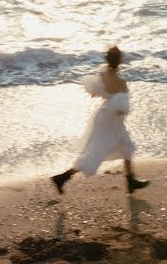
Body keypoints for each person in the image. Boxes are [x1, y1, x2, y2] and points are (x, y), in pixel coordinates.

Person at [51, 46, 149, 195]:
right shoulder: (121, 82)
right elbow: (122, 108)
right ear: (120, 60)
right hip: (111, 121)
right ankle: (62, 177)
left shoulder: (102, 75)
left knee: (126, 146)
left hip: (105, 117)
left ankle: (130, 181)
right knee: (95, 153)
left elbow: (93, 92)